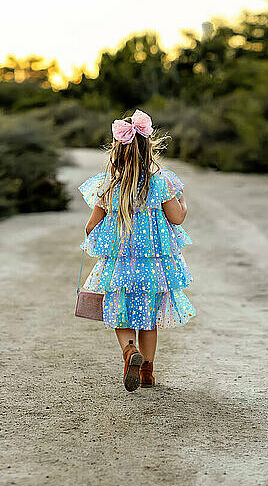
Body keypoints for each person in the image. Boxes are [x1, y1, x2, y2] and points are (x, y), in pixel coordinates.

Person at [78, 109, 195, 392]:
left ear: (118, 153)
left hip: (120, 266)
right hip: (153, 266)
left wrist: (104, 232)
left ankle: (130, 351)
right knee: (150, 318)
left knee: (122, 315)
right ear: (149, 150)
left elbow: (91, 227)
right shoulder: (161, 183)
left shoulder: (110, 186)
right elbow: (177, 218)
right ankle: (147, 372)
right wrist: (183, 204)